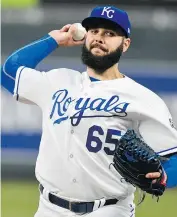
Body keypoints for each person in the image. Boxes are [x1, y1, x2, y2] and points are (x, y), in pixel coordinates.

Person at [2, 5, 177, 217]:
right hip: (49, 208)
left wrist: (165, 177)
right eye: (94, 31)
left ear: (126, 44)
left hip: (109, 209)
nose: (99, 38)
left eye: (110, 33)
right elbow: (9, 72)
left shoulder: (143, 99)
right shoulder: (57, 81)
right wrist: (54, 40)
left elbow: (173, 159)